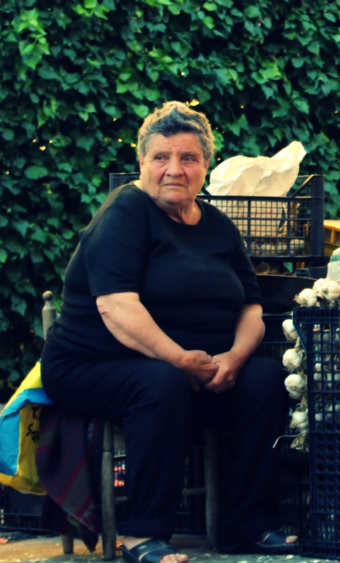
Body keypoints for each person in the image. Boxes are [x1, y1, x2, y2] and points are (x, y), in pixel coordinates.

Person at [40, 101, 296, 563]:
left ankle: (246, 527)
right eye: (161, 157)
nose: (174, 169)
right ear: (142, 163)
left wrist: (234, 359)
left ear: (205, 166)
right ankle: (143, 535)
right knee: (161, 382)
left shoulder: (218, 226)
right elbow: (117, 308)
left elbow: (252, 306)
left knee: (264, 379)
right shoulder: (125, 212)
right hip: (91, 365)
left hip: (195, 366)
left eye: (188, 158)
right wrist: (180, 359)